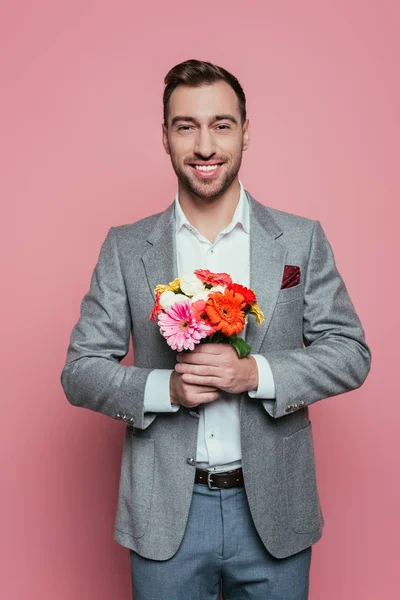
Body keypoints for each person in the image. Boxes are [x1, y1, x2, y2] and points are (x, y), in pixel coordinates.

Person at [60, 59, 371, 600]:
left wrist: (254, 373)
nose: (205, 146)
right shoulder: (127, 247)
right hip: (165, 517)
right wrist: (167, 389)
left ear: (245, 132)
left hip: (275, 509)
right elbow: (80, 371)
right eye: (186, 126)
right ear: (165, 137)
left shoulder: (300, 241)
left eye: (221, 125)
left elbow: (350, 352)